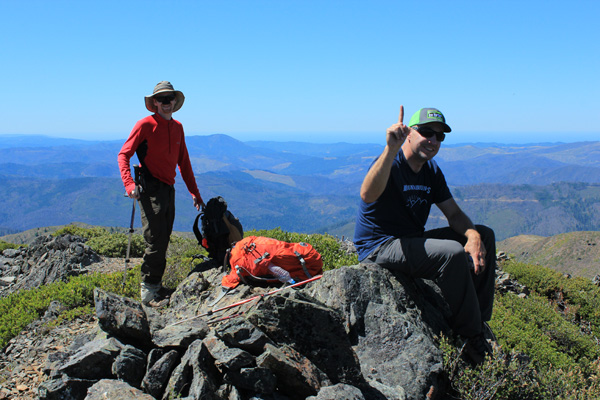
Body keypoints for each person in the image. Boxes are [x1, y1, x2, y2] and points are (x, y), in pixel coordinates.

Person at [353, 105, 496, 365]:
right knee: (451, 254)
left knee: (484, 235)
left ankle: (479, 318)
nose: (433, 140)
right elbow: (368, 195)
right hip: (379, 246)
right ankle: (470, 337)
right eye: (427, 132)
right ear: (409, 132)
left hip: (410, 241)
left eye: (439, 136)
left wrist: (473, 235)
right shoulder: (390, 163)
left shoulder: (431, 171)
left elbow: (454, 214)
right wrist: (390, 149)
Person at [118, 81, 205, 307]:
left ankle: (155, 286)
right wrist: (129, 186)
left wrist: (194, 192)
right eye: (162, 99)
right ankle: (148, 293)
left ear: (175, 101)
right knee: (155, 240)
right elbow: (124, 155)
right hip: (150, 189)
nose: (167, 103)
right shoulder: (145, 125)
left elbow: (184, 163)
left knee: (164, 238)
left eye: (170, 98)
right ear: (155, 102)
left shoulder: (177, 127)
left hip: (169, 189)